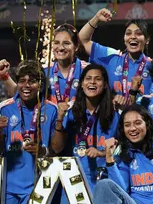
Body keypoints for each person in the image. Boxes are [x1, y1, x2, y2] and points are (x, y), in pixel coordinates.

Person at [0, 60, 59, 204]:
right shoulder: (4, 108)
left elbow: (56, 149)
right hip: (9, 185)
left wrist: (43, 150)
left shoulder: (51, 110)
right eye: (22, 80)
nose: (26, 85)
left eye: (32, 81)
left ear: (41, 83)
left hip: (37, 185)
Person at [50, 63, 119, 194]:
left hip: (102, 182)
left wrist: (101, 153)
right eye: (88, 78)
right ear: (81, 84)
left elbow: (122, 151)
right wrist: (59, 119)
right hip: (72, 183)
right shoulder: (69, 113)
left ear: (105, 85)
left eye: (98, 79)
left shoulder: (114, 116)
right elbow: (56, 148)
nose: (92, 82)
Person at [78, 11, 153, 102]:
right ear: (124, 39)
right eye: (128, 33)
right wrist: (96, 18)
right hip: (114, 116)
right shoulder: (112, 58)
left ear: (147, 40)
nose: (133, 36)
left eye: (138, 33)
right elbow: (82, 40)